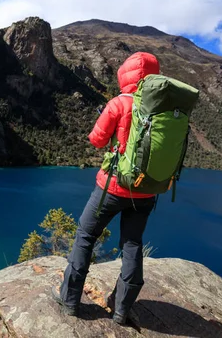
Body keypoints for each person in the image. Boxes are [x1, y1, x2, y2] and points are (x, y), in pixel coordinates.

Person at [52, 52, 160, 325]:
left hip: (111, 188)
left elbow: (96, 140)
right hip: (146, 191)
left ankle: (70, 302)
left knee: (85, 236)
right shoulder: (163, 107)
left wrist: (108, 121)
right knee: (133, 244)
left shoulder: (119, 103)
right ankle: (122, 310)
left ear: (125, 74)